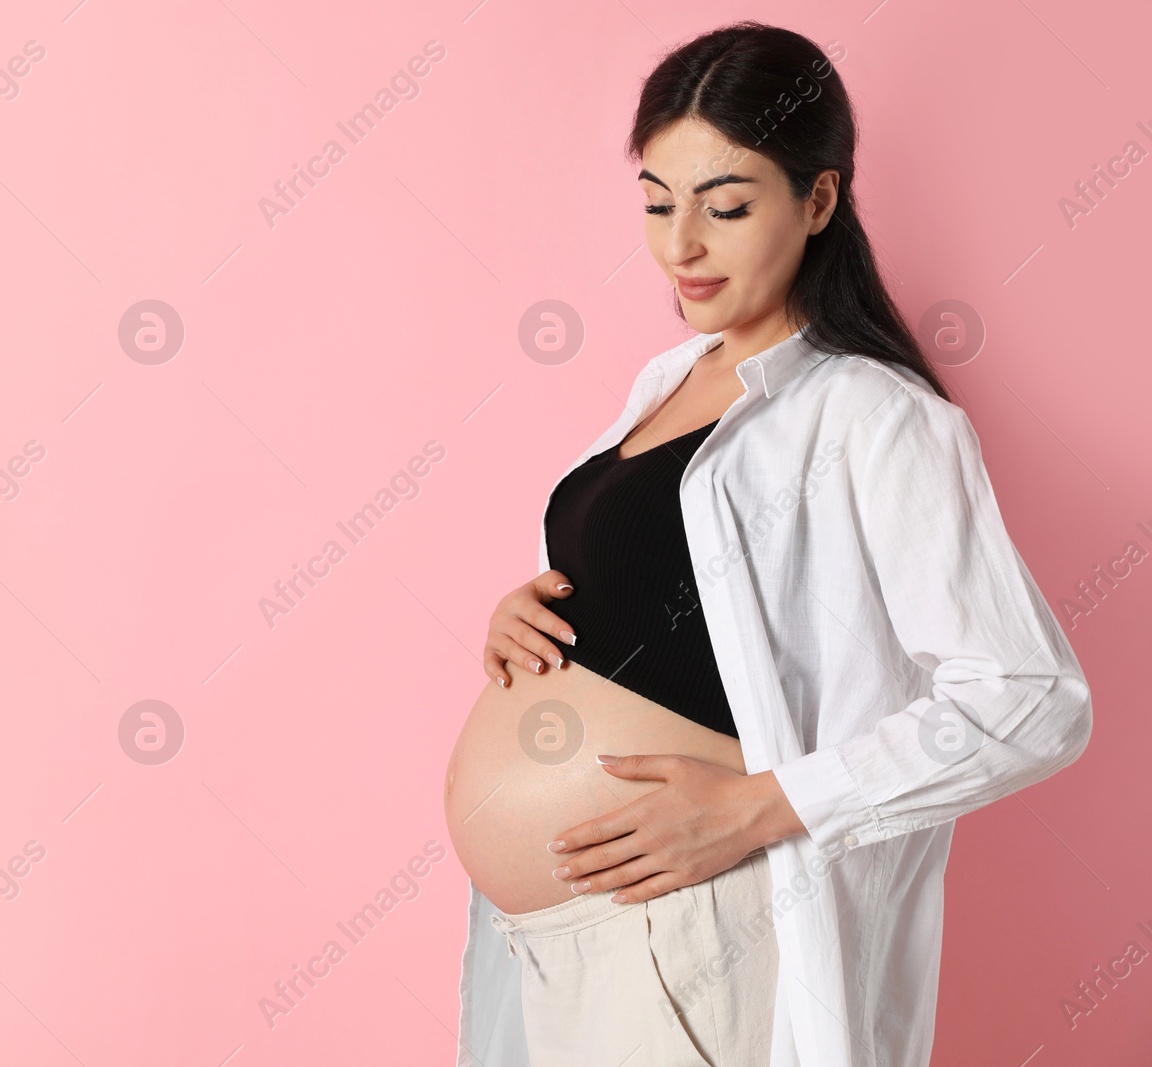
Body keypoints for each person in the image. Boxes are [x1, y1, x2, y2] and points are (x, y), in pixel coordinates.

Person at [453, 21, 1093, 1067]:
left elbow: (1027, 695)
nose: (680, 246)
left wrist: (763, 807)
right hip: (556, 943)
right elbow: (689, 607)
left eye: (727, 206)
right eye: (657, 203)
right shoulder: (662, 385)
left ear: (819, 201)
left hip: (693, 927)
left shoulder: (875, 417)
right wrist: (524, 620)